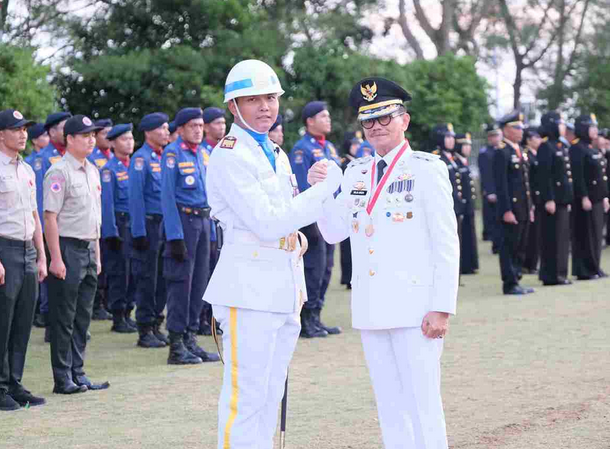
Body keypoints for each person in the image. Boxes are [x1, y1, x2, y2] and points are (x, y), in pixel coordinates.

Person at [313, 76, 460, 449]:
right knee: (389, 407)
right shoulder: (356, 172)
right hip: (371, 307)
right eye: (368, 120)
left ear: (404, 120)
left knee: (423, 404)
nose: (376, 126)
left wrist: (442, 307)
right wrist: (320, 190)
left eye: (384, 117)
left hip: (415, 310)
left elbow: (446, 242)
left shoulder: (426, 169)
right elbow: (332, 232)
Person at [203, 58, 342, 449]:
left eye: (271, 98)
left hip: (283, 285)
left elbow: (288, 216)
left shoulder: (275, 152)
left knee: (270, 393)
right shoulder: (230, 154)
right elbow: (267, 223)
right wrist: (323, 190)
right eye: (253, 99)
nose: (265, 107)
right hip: (247, 288)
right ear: (233, 106)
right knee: (245, 396)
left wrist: (311, 190)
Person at [44, 114, 109, 394]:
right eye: (85, 135)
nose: (91, 140)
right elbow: (50, 217)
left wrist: (97, 254)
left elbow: (95, 218)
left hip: (89, 248)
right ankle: (62, 378)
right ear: (69, 139)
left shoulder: (92, 170)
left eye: (93, 135)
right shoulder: (59, 172)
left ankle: (78, 372)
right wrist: (56, 258)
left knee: (83, 316)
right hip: (67, 248)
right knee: (64, 316)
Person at [161, 107, 219, 364]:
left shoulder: (204, 153)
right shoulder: (172, 153)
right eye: (192, 126)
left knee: (199, 282)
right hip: (184, 222)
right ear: (181, 129)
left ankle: (190, 338)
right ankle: (176, 345)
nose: (198, 130)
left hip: (203, 222)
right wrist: (174, 236)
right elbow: (167, 197)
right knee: (180, 283)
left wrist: (213, 231)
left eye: (200, 125)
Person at [0, 109, 47, 411]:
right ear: (1, 134)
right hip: (4, 249)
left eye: (25, 129)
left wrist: (41, 255)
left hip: (27, 249)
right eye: (16, 129)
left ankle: (14, 383)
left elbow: (34, 215)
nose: (23, 134)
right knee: (3, 321)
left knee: (22, 322)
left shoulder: (27, 169)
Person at [289, 101, 342, 338]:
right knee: (313, 268)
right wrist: (309, 221)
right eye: (323, 116)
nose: (328, 120)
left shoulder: (329, 147)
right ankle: (306, 319)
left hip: (330, 216)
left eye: (328, 116)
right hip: (313, 220)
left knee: (327, 267)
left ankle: (317, 316)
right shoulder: (302, 149)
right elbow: (302, 187)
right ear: (310, 121)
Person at [129, 113, 171, 348]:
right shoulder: (140, 159)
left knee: (163, 278)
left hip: (165, 225)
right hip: (149, 225)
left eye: (167, 128)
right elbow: (135, 198)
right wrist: (138, 232)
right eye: (161, 128)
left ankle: (156, 324)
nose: (166, 132)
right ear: (148, 132)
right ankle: (144, 329)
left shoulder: (165, 157)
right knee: (147, 278)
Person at [39, 112, 74, 340]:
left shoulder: (69, 157)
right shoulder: (44, 159)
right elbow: (38, 199)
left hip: (70, 228)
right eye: (63, 127)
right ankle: (51, 324)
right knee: (53, 279)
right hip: (50, 226)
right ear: (51, 132)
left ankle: (66, 325)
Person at [100, 124, 138, 334]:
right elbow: (107, 204)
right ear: (113, 143)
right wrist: (111, 232)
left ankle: (128, 312)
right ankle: (118, 315)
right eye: (124, 139)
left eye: (131, 138)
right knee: (119, 272)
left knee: (134, 271)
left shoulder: (135, 166)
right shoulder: (109, 170)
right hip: (120, 225)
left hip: (135, 224)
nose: (129, 143)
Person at [493, 111, 535, 295]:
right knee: (509, 247)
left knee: (521, 246)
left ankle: (517, 278)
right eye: (516, 127)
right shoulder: (502, 152)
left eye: (521, 127)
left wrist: (530, 206)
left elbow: (526, 183)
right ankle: (510, 283)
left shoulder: (521, 151)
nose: (521, 131)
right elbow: (501, 185)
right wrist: (506, 210)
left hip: (523, 207)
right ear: (506, 130)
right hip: (511, 209)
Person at [198, 106, 227, 335]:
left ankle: (216, 318)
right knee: (206, 272)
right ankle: (203, 319)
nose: (222, 127)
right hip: (206, 221)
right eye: (217, 123)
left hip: (222, 223)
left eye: (223, 122)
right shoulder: (202, 152)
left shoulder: (225, 150)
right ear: (206, 127)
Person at [570, 114, 609, 280]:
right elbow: (578, 176)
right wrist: (584, 196)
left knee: (596, 235)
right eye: (592, 127)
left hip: (598, 198)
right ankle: (584, 269)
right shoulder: (577, 148)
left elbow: (601, 176)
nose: (595, 130)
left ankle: (594, 266)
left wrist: (605, 197)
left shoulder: (591, 147)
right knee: (586, 235)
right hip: (586, 199)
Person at [537, 113, 574, 285]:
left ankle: (561, 273)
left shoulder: (560, 145)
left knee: (562, 238)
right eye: (560, 123)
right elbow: (545, 176)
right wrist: (549, 199)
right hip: (553, 200)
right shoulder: (545, 147)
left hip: (562, 199)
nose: (563, 127)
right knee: (553, 239)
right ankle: (552, 275)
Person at [25, 123, 50, 328]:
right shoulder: (33, 162)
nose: (47, 138)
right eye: (44, 136)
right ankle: (39, 311)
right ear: (35, 140)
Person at [433, 124, 464, 277]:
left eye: (452, 137)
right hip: (445, 208)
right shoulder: (437, 158)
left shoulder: (452, 158)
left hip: (456, 207)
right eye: (447, 137)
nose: (452, 140)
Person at [339, 131, 364, 289]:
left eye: (359, 144)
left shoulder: (360, 163)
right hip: (347, 207)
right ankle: (347, 277)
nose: (357, 147)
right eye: (354, 144)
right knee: (347, 245)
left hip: (359, 207)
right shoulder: (344, 163)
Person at [455, 132, 479, 275]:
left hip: (468, 206)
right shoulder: (456, 162)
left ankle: (471, 264)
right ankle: (465, 265)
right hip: (462, 206)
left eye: (469, 145)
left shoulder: (463, 161)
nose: (468, 148)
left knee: (470, 234)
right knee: (463, 235)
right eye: (465, 145)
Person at [521, 127, 543, 275]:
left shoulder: (537, 154)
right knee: (532, 233)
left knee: (537, 233)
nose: (539, 140)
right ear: (529, 140)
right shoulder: (526, 155)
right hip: (532, 198)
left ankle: (534, 262)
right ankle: (529, 264)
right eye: (536, 137)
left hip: (539, 198)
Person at [478, 123, 502, 253]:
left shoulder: (501, 150)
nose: (496, 138)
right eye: (494, 136)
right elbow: (486, 174)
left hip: (501, 190)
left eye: (497, 135)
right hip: (492, 191)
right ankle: (495, 244)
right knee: (492, 219)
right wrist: (490, 191)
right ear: (489, 138)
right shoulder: (485, 153)